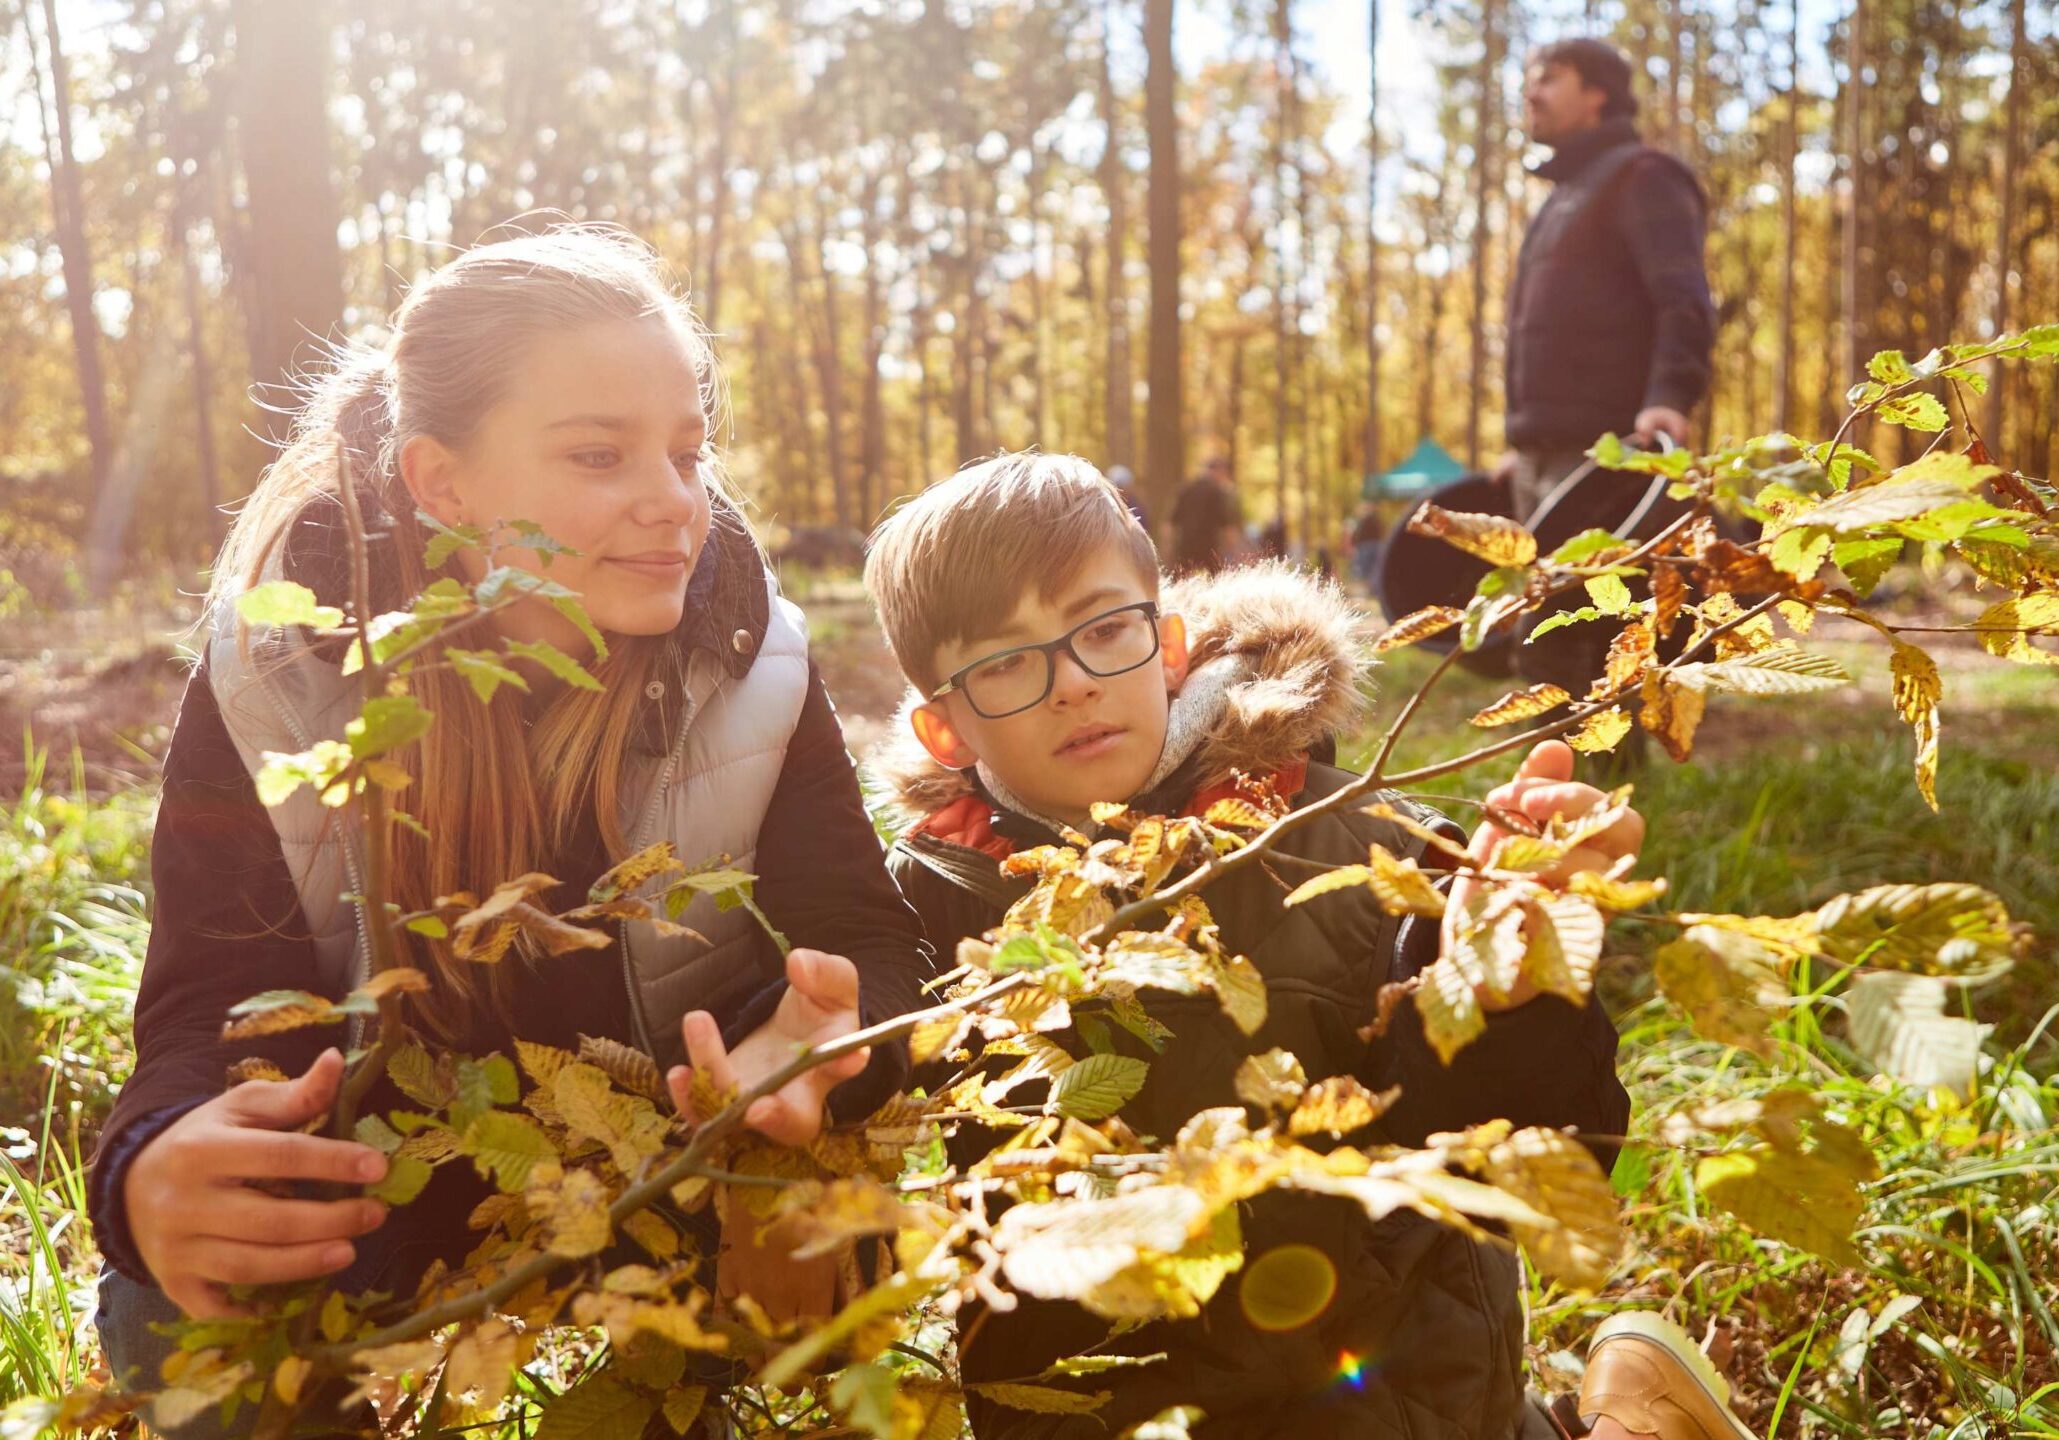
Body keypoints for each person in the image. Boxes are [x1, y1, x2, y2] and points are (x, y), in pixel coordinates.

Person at [87, 226, 934, 1417]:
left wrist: (825, 1060)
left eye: (688, 453)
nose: (674, 505)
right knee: (179, 1306)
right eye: (598, 455)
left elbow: (867, 939)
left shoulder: (750, 663)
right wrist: (152, 1162)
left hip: (670, 1184)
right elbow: (206, 1000)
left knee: (839, 1233)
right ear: (442, 482)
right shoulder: (283, 677)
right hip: (376, 1211)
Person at [861, 453, 1754, 1440]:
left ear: (1164, 646)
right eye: (1004, 661)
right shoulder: (919, 920)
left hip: (1391, 1403)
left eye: (1102, 629)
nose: (1071, 683)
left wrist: (1505, 991)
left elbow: (1559, 1153)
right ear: (945, 731)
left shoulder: (1347, 849)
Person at [1496, 38, 1715, 523]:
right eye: (1531, 81)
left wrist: (1669, 398)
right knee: (1544, 602)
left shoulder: (1643, 175)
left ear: (1597, 93)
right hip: (1538, 464)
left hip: (1611, 459)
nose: (1531, 94)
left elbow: (1683, 299)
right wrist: (1527, 443)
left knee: (1608, 601)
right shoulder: (1561, 198)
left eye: (1550, 79)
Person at [1168, 454, 1245, 574]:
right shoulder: (1217, 492)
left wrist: (1169, 547)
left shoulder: (1187, 488)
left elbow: (1170, 522)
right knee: (1216, 581)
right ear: (1218, 471)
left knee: (1181, 580)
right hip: (1208, 547)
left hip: (1185, 546)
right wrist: (1235, 550)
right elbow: (1227, 525)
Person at [1105, 463, 1150, 535]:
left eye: (1122, 486)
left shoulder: (1137, 510)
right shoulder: (1103, 508)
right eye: (1117, 486)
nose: (1120, 491)